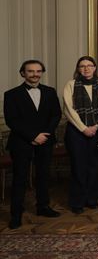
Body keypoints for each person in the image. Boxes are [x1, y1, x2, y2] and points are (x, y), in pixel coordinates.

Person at [3, 60, 62, 229]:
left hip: (45, 140)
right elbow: (12, 120)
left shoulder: (50, 92)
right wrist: (33, 136)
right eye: (30, 71)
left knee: (43, 176)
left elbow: (56, 115)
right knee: (20, 178)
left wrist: (45, 134)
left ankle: (43, 207)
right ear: (23, 73)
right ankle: (16, 214)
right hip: (21, 142)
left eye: (38, 71)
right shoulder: (11, 94)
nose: (35, 74)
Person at [63, 56, 98, 214]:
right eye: (82, 66)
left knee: (95, 166)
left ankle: (92, 199)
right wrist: (83, 128)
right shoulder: (71, 84)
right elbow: (69, 109)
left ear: (95, 68)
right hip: (76, 132)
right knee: (78, 167)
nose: (86, 68)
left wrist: (96, 126)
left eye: (90, 65)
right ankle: (77, 202)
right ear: (78, 69)